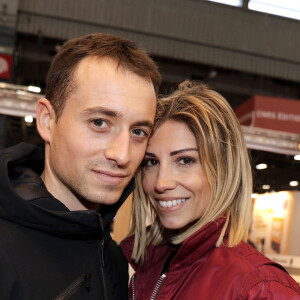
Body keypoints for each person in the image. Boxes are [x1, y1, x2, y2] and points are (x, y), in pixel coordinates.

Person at [0, 33, 160, 299]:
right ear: (47, 121)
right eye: (99, 123)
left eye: (138, 132)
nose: (122, 155)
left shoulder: (115, 262)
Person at [121, 81, 300, 299]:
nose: (161, 183)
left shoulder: (260, 288)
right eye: (151, 162)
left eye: (185, 160)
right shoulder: (151, 266)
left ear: (223, 170)